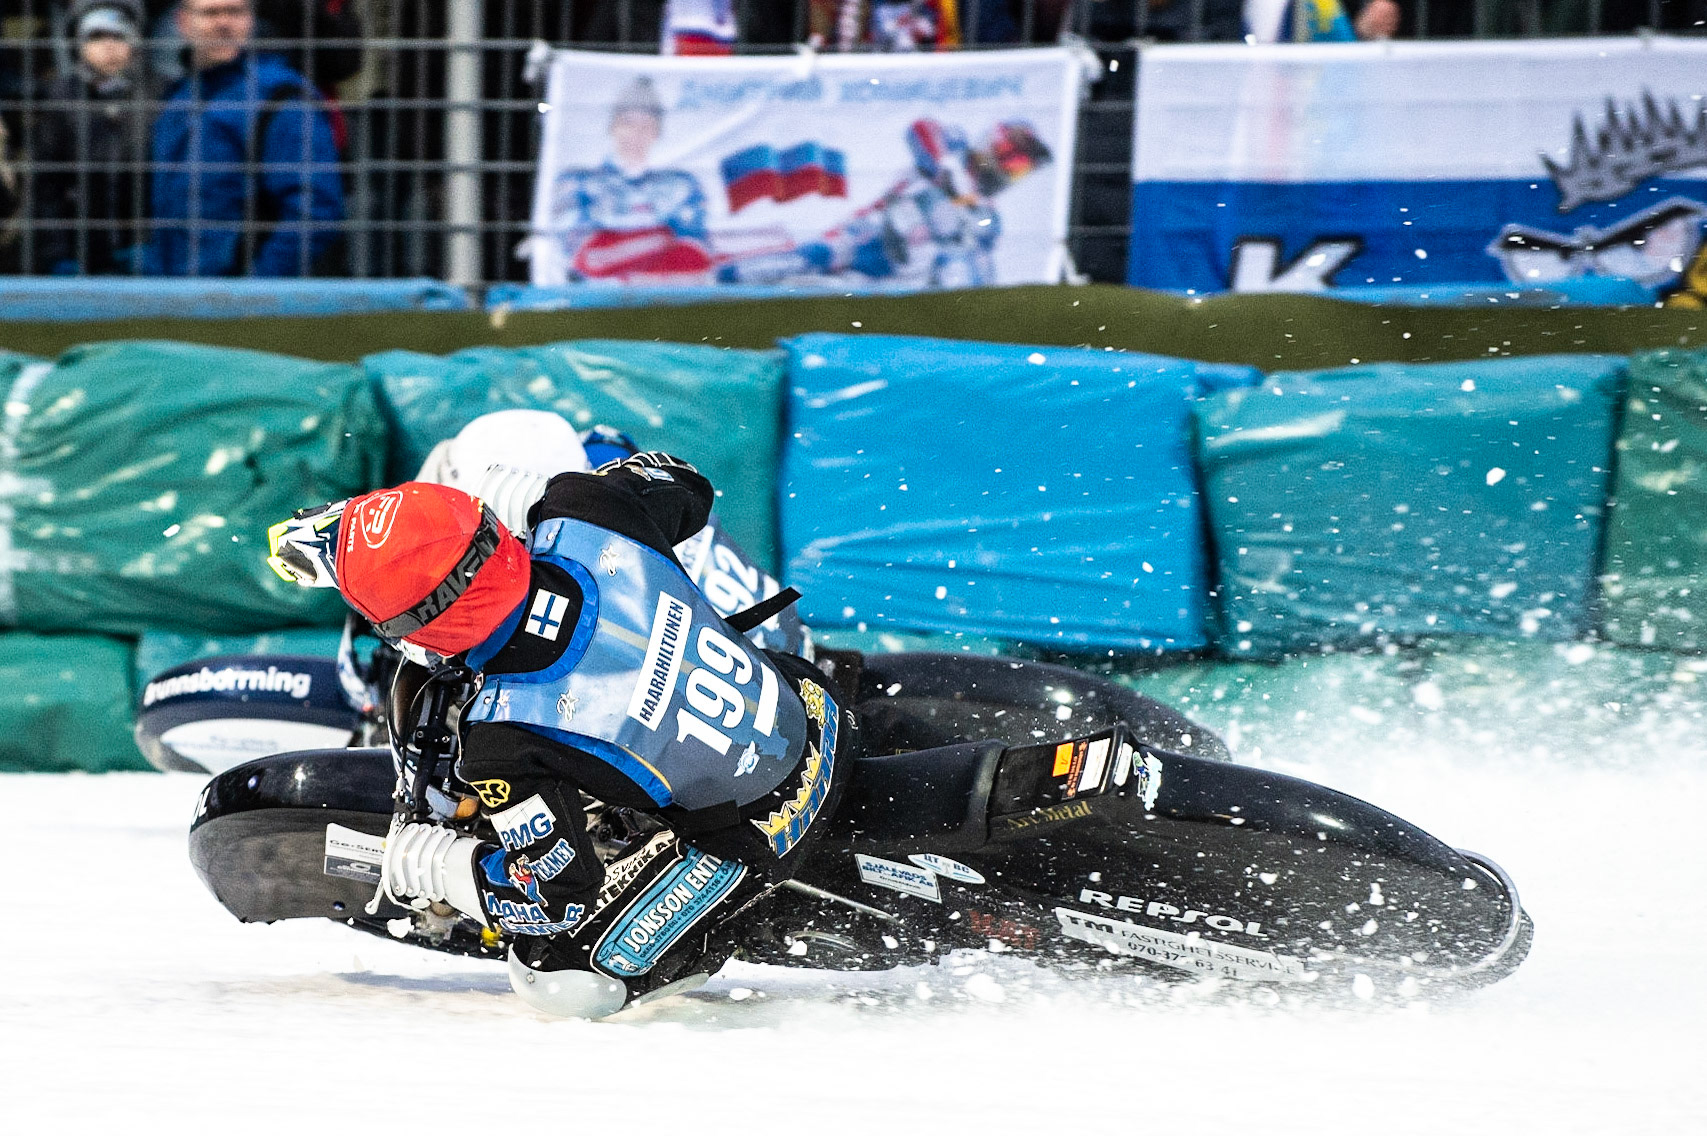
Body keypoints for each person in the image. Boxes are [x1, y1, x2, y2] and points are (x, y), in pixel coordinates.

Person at [267, 452, 852, 1018]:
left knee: (560, 978)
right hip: (811, 704)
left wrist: (434, 863)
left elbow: (554, 896)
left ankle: (724, 929)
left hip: (766, 827)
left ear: (417, 629)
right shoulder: (585, 509)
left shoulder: (500, 737)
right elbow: (687, 487)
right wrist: (537, 496)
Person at [143, 0, 345, 277]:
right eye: (211, 13)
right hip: (172, 294)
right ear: (183, 22)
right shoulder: (177, 99)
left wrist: (256, 288)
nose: (224, 23)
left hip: (242, 301)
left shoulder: (280, 97)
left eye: (236, 11)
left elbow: (316, 210)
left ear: (251, 19)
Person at [543, 76, 711, 283]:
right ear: (613, 126)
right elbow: (584, 260)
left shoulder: (681, 185)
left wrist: (618, 248)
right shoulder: (578, 181)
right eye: (628, 124)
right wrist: (661, 238)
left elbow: (694, 257)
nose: (635, 134)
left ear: (656, 132)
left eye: (645, 126)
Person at [29, 0, 152, 275]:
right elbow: (46, 186)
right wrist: (55, 253)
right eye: (96, 36)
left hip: (143, 248)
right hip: (77, 250)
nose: (109, 45)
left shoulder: (160, 93)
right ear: (79, 44)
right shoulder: (61, 99)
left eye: (118, 35)